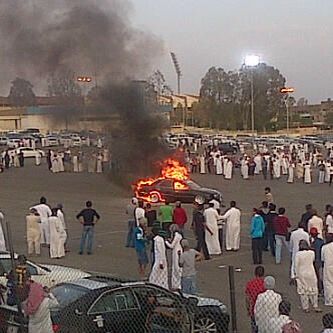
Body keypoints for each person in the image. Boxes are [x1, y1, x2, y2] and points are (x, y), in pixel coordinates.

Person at [295, 240, 322, 313]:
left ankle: (305, 307)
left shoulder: (298, 254)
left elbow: (296, 265)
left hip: (302, 273)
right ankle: (315, 305)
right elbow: (312, 261)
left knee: (303, 291)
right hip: (311, 272)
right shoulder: (311, 253)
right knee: (314, 289)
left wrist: (296, 275)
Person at [245, 266, 266, 333]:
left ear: (255, 273)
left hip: (254, 309)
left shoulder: (250, 284)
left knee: (254, 327)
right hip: (263, 309)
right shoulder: (265, 284)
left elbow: (247, 299)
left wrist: (248, 309)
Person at [165, 224, 183, 290]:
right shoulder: (179, 235)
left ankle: (177, 284)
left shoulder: (176, 235)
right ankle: (176, 284)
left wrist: (166, 242)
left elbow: (172, 246)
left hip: (176, 251)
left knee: (176, 268)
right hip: (178, 250)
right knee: (176, 268)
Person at [310, 227, 324, 296]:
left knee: (318, 277)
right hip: (322, 261)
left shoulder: (313, 243)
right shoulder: (321, 241)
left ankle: (320, 290)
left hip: (316, 261)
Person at [322, 234, 333, 306]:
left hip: (328, 267)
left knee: (328, 284)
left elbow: (322, 259)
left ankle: (329, 300)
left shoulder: (324, 247)